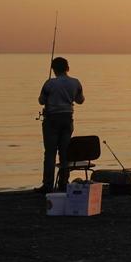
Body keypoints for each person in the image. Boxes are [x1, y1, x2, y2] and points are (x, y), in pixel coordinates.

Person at [38, 56, 84, 192]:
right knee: (65, 153)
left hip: (51, 119)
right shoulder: (76, 83)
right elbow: (80, 100)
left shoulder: (49, 84)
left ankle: (48, 185)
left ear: (53, 69)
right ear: (67, 68)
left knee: (50, 154)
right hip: (67, 118)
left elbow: (41, 101)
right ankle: (64, 183)